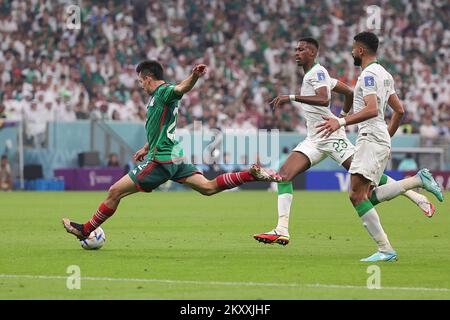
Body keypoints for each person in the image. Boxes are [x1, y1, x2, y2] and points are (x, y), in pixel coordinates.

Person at [62, 60, 281, 240]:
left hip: (162, 160)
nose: (140, 85)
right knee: (207, 188)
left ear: (148, 78)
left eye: (140, 81)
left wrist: (194, 76)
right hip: (175, 157)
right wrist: (146, 146)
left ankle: (86, 229)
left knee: (114, 191)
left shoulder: (163, 92)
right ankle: (249, 175)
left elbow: (181, 88)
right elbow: (162, 126)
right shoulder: (156, 98)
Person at [253, 37, 435, 248]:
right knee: (283, 175)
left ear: (312, 53)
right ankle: (282, 229)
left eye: (301, 49)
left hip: (331, 137)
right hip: (314, 138)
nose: (296, 52)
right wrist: (344, 113)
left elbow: (323, 99)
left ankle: (415, 195)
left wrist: (293, 98)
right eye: (295, 49)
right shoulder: (317, 75)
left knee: (367, 178)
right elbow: (348, 92)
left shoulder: (318, 73)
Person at [316, 32, 443, 262]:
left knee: (356, 195)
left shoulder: (368, 76)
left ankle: (386, 249)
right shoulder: (384, 74)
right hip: (377, 138)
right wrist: (386, 136)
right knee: (365, 196)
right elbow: (400, 110)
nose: (352, 52)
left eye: (354, 48)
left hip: (371, 138)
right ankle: (416, 183)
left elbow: (372, 109)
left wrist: (341, 121)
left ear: (361, 50)